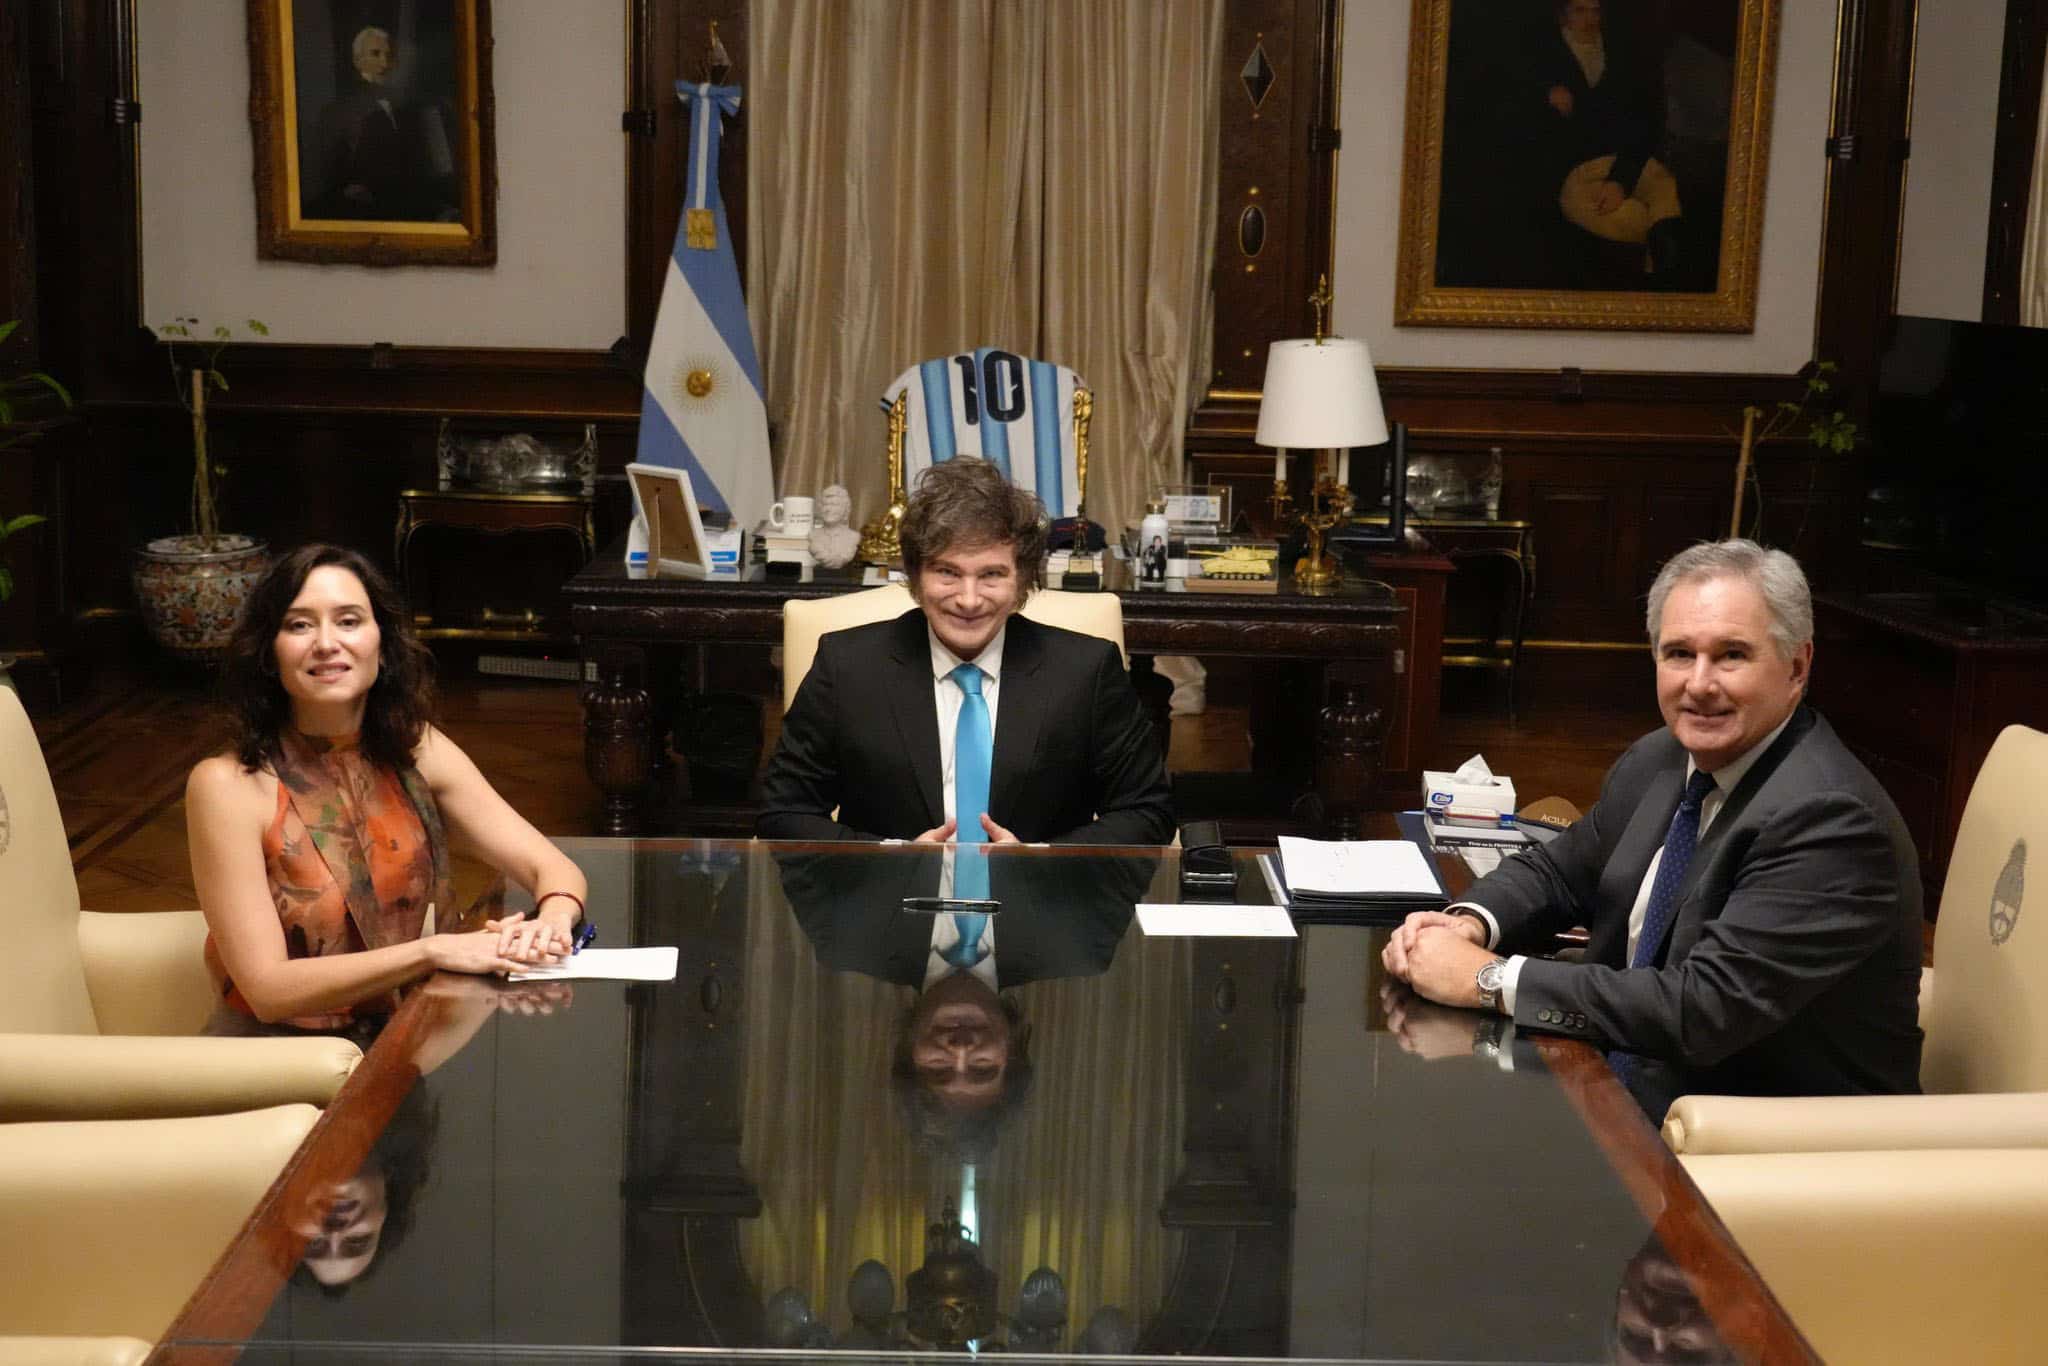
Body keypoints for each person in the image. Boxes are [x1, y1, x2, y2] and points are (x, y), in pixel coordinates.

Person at [1382, 539, 1923, 1119]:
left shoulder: (1830, 819)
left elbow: (1702, 1010)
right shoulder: (1662, 758)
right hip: (1626, 1082)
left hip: (1761, 1135)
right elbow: (1559, 871)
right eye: (1680, 654)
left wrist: (1488, 979)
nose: (1700, 683)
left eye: (1732, 655)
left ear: (1797, 666)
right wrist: (1467, 923)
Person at [189, 544, 590, 1031]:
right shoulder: (226, 785)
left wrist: (552, 922)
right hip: (281, 1055)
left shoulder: (415, 749)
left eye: (349, 621)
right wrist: (434, 951)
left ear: (382, 642)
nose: (326, 643)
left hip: (403, 1035)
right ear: (269, 653)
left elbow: (552, 867)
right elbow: (268, 990)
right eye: (299, 625)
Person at [757, 456, 1174, 845]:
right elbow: (783, 812)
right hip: (887, 897)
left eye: (991, 575)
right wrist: (891, 860)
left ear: (1022, 580)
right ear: (915, 576)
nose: (969, 600)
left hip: (1040, 897)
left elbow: (1147, 812)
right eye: (947, 572)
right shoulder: (847, 666)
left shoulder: (1086, 670)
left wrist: (1040, 862)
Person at [308, 25, 458, 222]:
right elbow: (325, 178)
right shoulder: (337, 112)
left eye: (389, 55)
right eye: (375, 54)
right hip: (362, 214)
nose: (384, 62)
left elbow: (434, 168)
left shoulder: (411, 106)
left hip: (413, 207)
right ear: (357, 60)